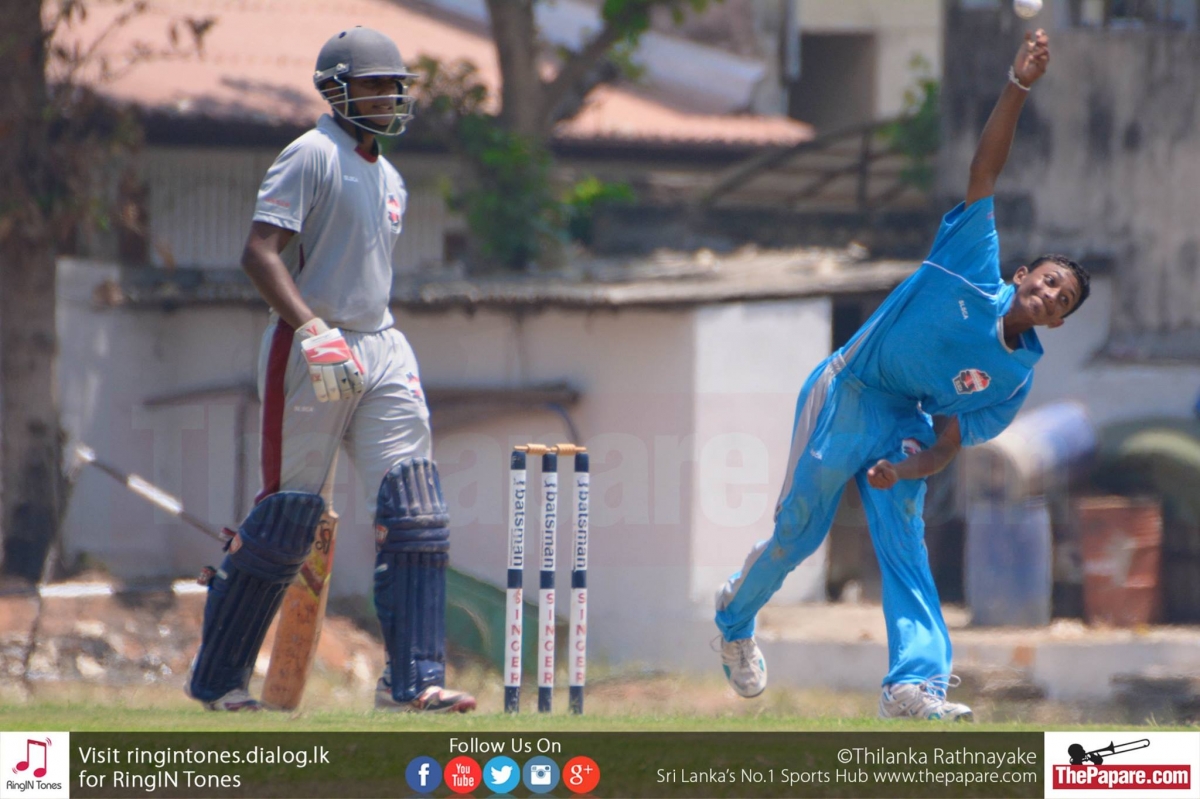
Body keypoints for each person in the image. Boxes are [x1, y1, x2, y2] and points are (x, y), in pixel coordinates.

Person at [714, 29, 1089, 721]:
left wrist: (903, 472)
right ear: (1021, 274)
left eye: (1061, 301)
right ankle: (735, 620)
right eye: (1047, 281)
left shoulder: (1011, 380)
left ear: (1060, 323)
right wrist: (1019, 84)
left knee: (904, 540)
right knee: (800, 534)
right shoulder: (970, 260)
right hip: (849, 389)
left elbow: (946, 443)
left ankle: (912, 687)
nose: (1049, 296)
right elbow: (985, 170)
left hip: (903, 418)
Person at [186, 27, 475, 713]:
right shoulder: (310, 154)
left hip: (382, 344)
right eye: (375, 85)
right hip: (309, 344)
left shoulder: (391, 177)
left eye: (395, 86)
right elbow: (260, 252)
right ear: (336, 90)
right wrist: (311, 327)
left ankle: (412, 683)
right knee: (290, 518)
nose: (389, 97)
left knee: (416, 511)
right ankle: (219, 680)